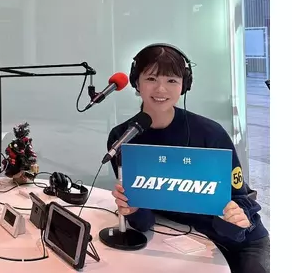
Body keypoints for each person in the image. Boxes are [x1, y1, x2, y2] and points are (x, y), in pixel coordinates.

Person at [107, 44, 269, 273]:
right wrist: (132, 210)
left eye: (172, 80)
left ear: (184, 85)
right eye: (151, 78)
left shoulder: (210, 133)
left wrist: (235, 216)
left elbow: (241, 198)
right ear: (136, 82)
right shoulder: (123, 138)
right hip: (181, 240)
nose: (161, 89)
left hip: (240, 242)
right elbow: (144, 220)